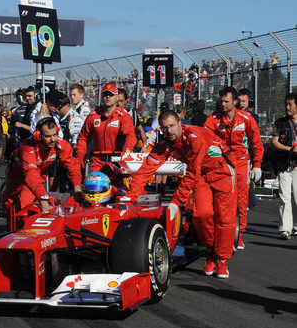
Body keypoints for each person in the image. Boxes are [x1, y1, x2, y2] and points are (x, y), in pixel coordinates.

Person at [127, 110, 236, 278]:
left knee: (224, 218)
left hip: (221, 171)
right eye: (164, 128)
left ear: (179, 123)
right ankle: (211, 252)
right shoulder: (165, 143)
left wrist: (175, 201)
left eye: (171, 126)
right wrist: (129, 199)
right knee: (201, 215)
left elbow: (192, 171)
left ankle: (222, 259)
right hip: (200, 176)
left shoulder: (195, 136)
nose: (169, 131)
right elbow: (145, 170)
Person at [204, 87, 264, 250]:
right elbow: (204, 137)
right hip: (220, 162)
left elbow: (257, 142)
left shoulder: (246, 118)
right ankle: (220, 233)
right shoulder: (214, 118)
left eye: (226, 101)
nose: (222, 104)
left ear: (235, 102)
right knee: (219, 199)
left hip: (241, 163)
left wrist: (257, 165)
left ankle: (239, 234)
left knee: (241, 199)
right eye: (221, 101)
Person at [2, 117, 82, 224]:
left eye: (55, 135)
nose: (53, 139)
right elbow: (30, 174)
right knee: (10, 205)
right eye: (48, 136)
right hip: (18, 177)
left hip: (37, 176)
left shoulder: (61, 145)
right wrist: (43, 200)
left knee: (26, 208)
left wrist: (77, 188)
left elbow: (72, 165)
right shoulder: (27, 148)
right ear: (38, 136)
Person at [76, 83, 137, 172]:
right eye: (105, 94)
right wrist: (80, 156)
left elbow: (131, 137)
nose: (108, 97)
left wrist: (125, 157)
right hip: (97, 162)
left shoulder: (123, 116)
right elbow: (83, 138)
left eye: (111, 94)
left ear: (116, 97)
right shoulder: (93, 115)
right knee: (95, 185)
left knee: (117, 186)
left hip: (117, 161)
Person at [271, 93, 297, 239]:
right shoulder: (280, 123)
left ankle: (295, 226)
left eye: (290, 104)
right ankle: (285, 229)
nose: (287, 107)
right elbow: (274, 141)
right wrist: (289, 149)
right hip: (284, 164)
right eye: (286, 104)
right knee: (284, 197)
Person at [117, 88, 147, 152]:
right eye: (117, 101)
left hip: (129, 149)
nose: (118, 104)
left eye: (121, 101)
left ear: (126, 101)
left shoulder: (132, 113)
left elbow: (141, 130)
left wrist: (145, 146)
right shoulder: (108, 113)